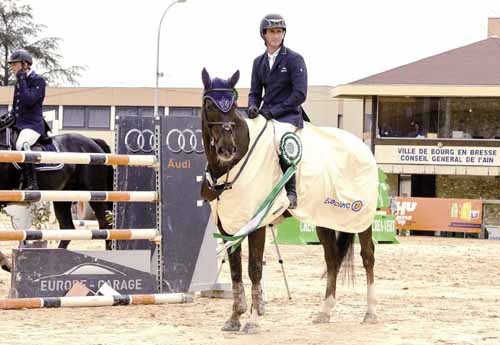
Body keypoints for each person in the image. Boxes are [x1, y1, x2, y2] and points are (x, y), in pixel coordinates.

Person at [247, 13, 309, 209]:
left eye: (279, 31)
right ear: (263, 34)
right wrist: (252, 106)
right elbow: (254, 92)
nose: (276, 35)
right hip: (265, 114)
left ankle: (291, 191)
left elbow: (299, 94)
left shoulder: (294, 59)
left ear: (284, 34)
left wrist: (274, 112)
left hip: (288, 115)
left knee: (279, 139)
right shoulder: (258, 62)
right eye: (272, 32)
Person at [8, 49, 47, 190]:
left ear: (25, 64)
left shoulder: (38, 80)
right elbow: (16, 105)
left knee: (21, 144)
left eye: (14, 64)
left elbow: (29, 100)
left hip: (33, 125)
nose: (12, 67)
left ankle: (32, 182)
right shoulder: (20, 81)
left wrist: (22, 79)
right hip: (18, 123)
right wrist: (9, 116)